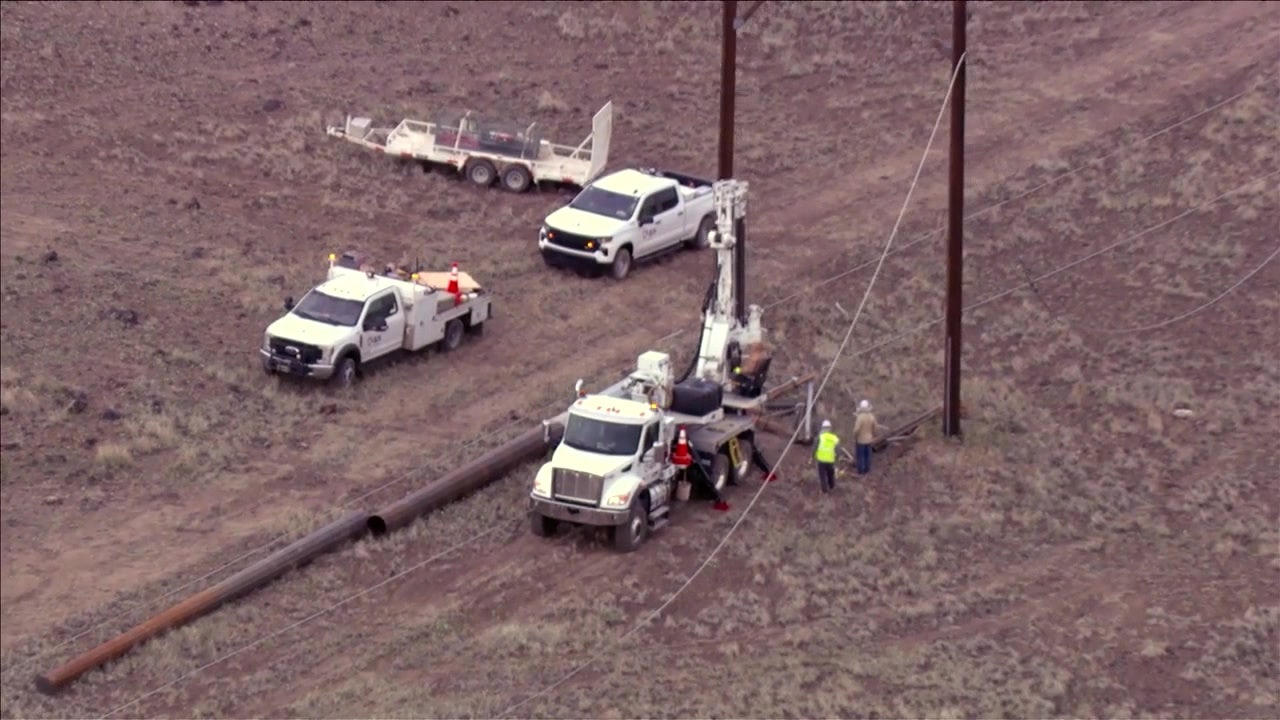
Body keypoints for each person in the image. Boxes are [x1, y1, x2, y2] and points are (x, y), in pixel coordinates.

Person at [852, 399, 886, 475]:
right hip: (869, 439)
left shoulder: (860, 417)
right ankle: (867, 469)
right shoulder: (871, 417)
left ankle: (861, 470)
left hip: (860, 440)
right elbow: (875, 428)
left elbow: (856, 429)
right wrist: (874, 435)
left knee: (861, 455)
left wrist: (855, 435)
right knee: (868, 455)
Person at [814, 419, 839, 493]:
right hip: (831, 460)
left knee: (822, 476)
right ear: (830, 428)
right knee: (830, 474)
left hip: (821, 460)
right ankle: (832, 486)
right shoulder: (834, 437)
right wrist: (837, 457)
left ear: (822, 428)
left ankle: (824, 490)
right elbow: (838, 448)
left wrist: (812, 456)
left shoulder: (819, 437)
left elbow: (815, 447)